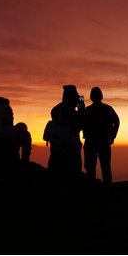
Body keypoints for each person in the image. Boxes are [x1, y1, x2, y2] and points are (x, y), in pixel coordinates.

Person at [46, 84, 85, 218]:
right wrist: (81, 111)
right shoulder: (76, 113)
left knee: (54, 182)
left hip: (56, 151)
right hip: (71, 150)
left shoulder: (55, 110)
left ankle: (52, 208)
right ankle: (75, 210)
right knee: (74, 181)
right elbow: (80, 126)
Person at [83, 86, 120, 187]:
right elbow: (116, 121)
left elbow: (80, 123)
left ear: (91, 97)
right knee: (105, 168)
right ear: (101, 96)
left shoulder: (87, 110)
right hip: (103, 141)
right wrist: (112, 136)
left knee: (91, 169)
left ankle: (92, 190)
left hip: (91, 142)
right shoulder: (107, 109)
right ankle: (107, 191)